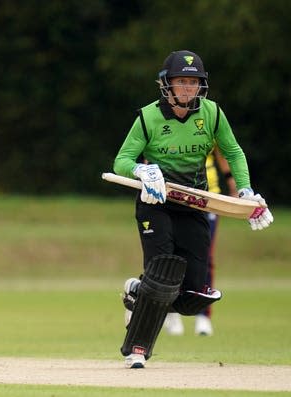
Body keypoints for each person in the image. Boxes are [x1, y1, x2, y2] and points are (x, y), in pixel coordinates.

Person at [113, 50, 273, 369]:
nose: (187, 88)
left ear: (201, 86)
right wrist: (142, 171)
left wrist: (245, 191)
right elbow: (121, 162)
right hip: (156, 202)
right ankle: (138, 349)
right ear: (166, 84)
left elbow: (234, 152)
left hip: (194, 202)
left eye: (193, 82)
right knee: (162, 275)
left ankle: (137, 291)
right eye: (181, 81)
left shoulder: (212, 114)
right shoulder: (148, 117)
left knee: (192, 297)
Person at [163, 148, 238, 336]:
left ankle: (203, 315)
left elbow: (223, 153)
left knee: (205, 257)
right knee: (174, 255)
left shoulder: (210, 121)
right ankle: (172, 311)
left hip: (208, 198)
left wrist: (231, 180)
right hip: (178, 195)